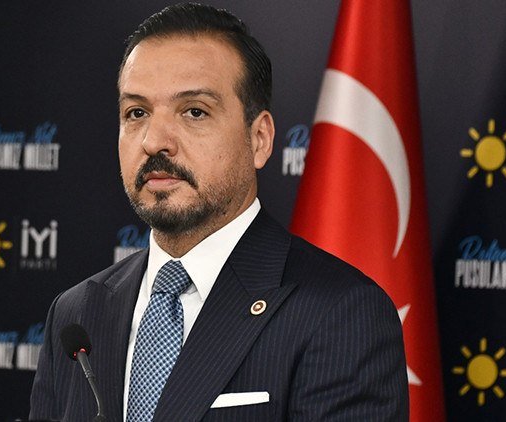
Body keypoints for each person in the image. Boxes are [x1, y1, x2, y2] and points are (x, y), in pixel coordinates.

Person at [29, 3, 409, 421]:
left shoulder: (341, 312)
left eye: (195, 111)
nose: (154, 141)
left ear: (259, 139)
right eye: (137, 113)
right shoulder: (75, 314)